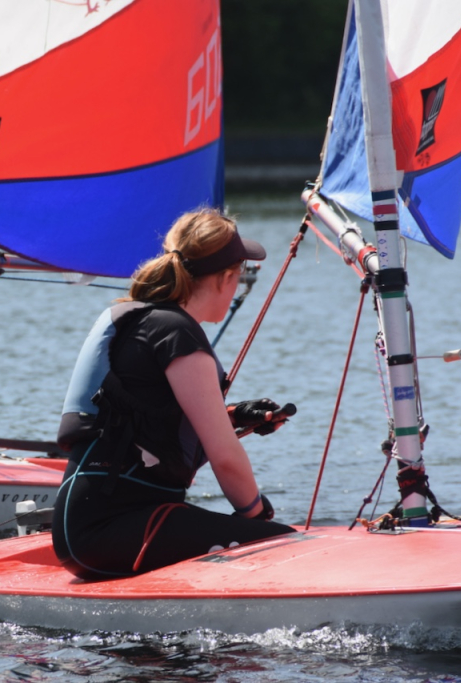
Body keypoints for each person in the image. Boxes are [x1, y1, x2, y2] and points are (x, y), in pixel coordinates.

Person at [52, 208, 295, 578]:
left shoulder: (150, 321)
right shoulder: (176, 334)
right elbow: (225, 459)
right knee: (282, 545)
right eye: (240, 275)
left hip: (88, 527)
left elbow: (152, 422)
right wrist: (257, 515)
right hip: (110, 530)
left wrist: (233, 416)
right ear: (226, 277)